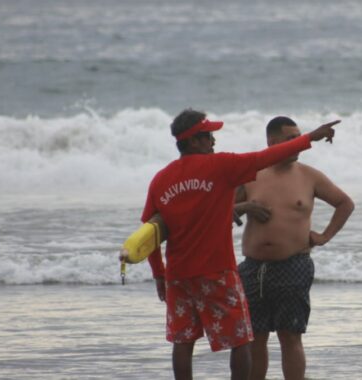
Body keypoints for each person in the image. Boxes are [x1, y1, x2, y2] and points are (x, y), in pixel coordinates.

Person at [133, 108, 341, 380]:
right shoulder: (221, 166)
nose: (213, 142)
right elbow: (266, 157)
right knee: (241, 340)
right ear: (194, 141)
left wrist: (159, 274)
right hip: (217, 272)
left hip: (178, 275)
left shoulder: (161, 179)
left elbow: (150, 232)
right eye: (208, 136)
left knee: (183, 342)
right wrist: (310, 137)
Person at [235, 116, 355, 380]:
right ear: (272, 142)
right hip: (253, 268)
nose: (298, 145)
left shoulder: (309, 176)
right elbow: (220, 210)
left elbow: (345, 203)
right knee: (254, 338)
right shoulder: (252, 175)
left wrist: (325, 236)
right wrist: (243, 207)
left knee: (290, 337)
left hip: (293, 265)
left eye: (299, 138)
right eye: (291, 139)